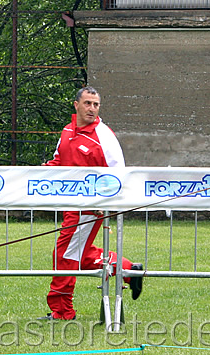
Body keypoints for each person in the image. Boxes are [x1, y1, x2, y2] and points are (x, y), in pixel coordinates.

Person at [38, 86, 142, 321]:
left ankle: (62, 311)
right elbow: (58, 162)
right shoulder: (67, 131)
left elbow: (119, 174)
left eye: (96, 105)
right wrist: (37, 174)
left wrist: (108, 203)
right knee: (82, 256)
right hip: (70, 206)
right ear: (76, 105)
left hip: (89, 209)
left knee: (65, 255)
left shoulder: (104, 136)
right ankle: (126, 269)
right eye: (87, 103)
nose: (92, 109)